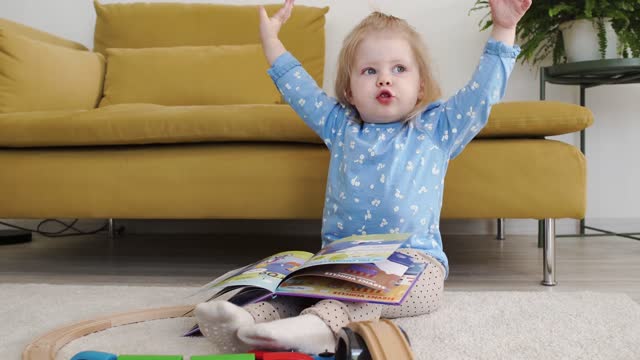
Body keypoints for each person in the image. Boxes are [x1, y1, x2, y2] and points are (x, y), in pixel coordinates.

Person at [195, 0, 531, 354]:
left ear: (420, 87)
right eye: (369, 71)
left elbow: (483, 93)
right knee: (294, 289)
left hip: (416, 264)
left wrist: (504, 29)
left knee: (374, 294)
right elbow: (299, 87)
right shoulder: (341, 126)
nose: (384, 78)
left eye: (399, 68)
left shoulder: (436, 129)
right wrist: (271, 40)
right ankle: (246, 320)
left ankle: (320, 327)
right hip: (340, 262)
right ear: (350, 92)